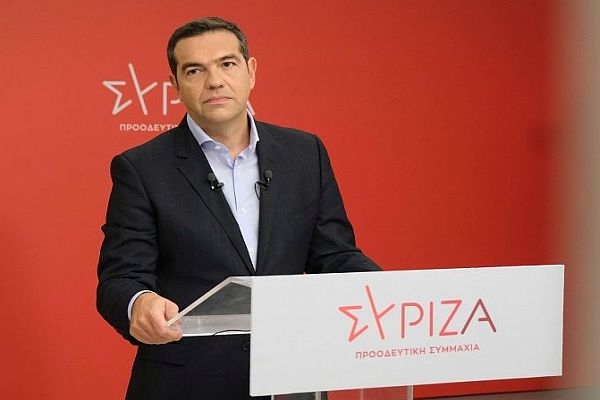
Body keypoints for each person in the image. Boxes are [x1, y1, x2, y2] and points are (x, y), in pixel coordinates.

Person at [97, 16, 380, 400]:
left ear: (251, 71)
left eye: (227, 64)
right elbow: (120, 279)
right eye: (195, 70)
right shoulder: (141, 168)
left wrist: (391, 296)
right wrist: (139, 303)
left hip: (289, 377)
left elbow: (334, 256)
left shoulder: (304, 153)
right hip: (186, 383)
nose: (214, 81)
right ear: (175, 86)